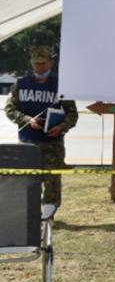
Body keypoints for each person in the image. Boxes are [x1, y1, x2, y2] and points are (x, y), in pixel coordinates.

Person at [4, 45, 79, 207]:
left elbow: (73, 114)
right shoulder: (21, 84)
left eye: (43, 63)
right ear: (31, 63)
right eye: (36, 64)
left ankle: (49, 218)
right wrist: (25, 119)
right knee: (29, 183)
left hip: (53, 145)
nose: (39, 67)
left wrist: (61, 127)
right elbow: (9, 110)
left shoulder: (61, 86)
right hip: (28, 143)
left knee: (52, 185)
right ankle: (31, 216)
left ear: (50, 63)